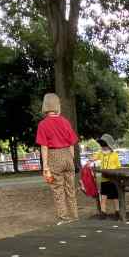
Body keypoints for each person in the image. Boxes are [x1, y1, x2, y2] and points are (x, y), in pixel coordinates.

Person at [36, 92, 79, 224]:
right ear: (58, 106)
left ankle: (64, 218)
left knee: (58, 189)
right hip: (67, 155)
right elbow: (72, 143)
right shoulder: (65, 122)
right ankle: (75, 216)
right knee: (70, 188)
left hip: (54, 155)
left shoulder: (43, 124)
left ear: (45, 106)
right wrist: (70, 158)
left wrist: (45, 166)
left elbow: (44, 147)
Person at [94, 134, 122, 218]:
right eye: (102, 146)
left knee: (115, 197)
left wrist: (116, 174)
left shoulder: (115, 155)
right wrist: (91, 160)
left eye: (105, 146)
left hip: (113, 180)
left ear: (110, 146)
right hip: (104, 179)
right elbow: (94, 157)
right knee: (103, 196)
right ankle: (103, 212)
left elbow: (118, 167)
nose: (103, 148)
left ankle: (117, 211)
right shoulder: (101, 154)